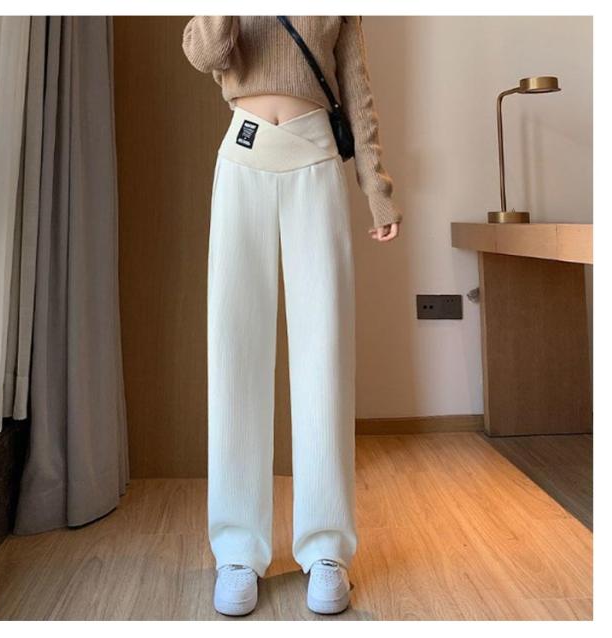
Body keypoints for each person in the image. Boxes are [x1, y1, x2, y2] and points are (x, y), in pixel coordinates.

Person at [182, 15, 402, 617]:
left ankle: (327, 549)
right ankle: (237, 550)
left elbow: (356, 89)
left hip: (316, 158)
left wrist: (377, 189)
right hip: (243, 158)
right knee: (234, 350)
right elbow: (205, 52)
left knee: (323, 350)